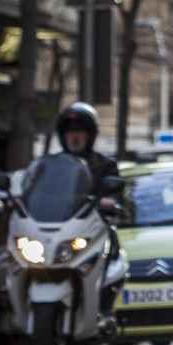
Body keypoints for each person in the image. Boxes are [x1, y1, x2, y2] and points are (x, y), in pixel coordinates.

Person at [54, 103, 123, 313]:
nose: (74, 137)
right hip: (56, 230)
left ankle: (104, 304)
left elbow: (117, 195)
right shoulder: (52, 165)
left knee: (111, 249)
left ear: (90, 135)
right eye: (70, 132)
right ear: (62, 136)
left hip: (92, 229)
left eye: (80, 132)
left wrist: (109, 201)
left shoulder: (105, 165)